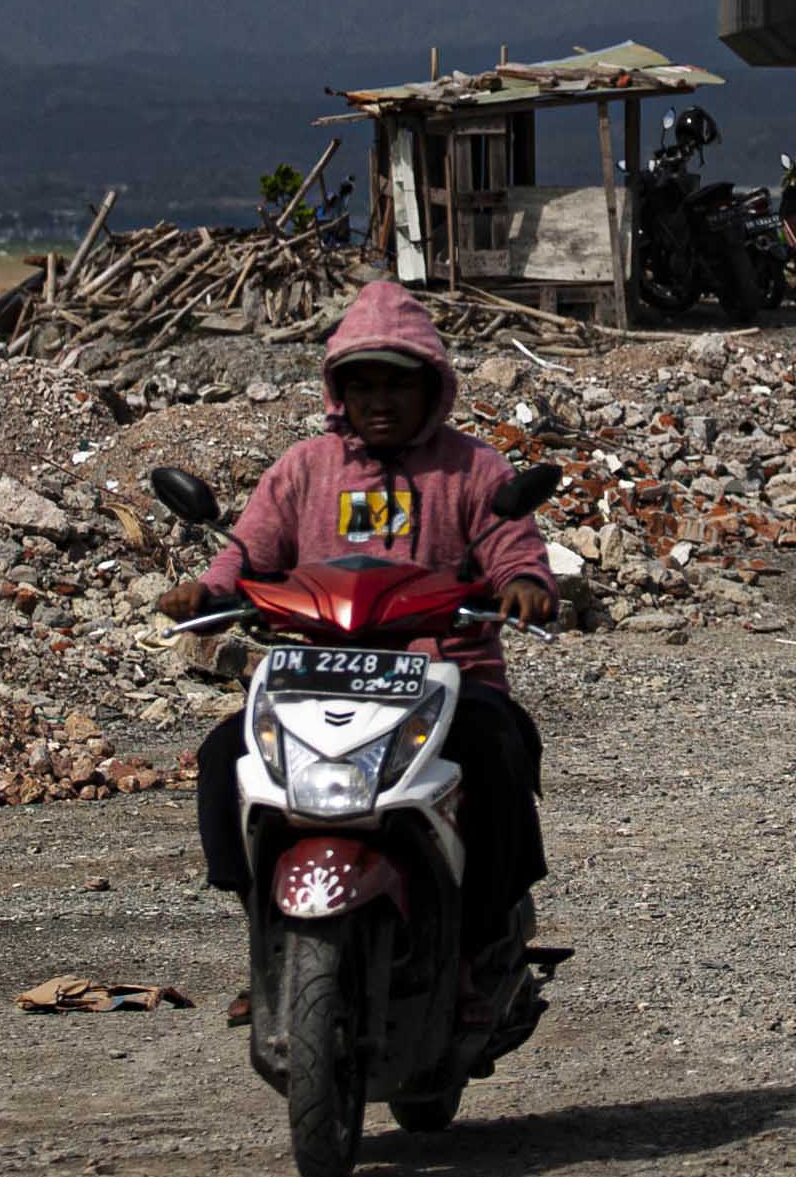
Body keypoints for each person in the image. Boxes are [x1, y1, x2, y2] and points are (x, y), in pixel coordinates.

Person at [161, 279, 554, 1013]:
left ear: (432, 388)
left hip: (446, 675)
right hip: (315, 674)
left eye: (396, 384)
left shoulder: (475, 470)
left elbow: (513, 547)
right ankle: (269, 936)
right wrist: (208, 594)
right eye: (362, 384)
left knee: (498, 751)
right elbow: (245, 554)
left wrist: (525, 584)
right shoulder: (305, 469)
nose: (378, 401)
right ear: (338, 391)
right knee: (225, 758)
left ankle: (484, 942)